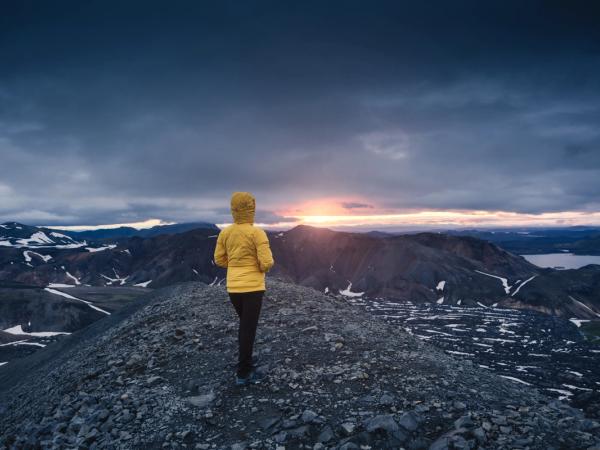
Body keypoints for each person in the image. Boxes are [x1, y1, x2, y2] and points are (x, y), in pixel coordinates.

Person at [213, 191, 275, 385]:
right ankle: (243, 373)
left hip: (233, 288)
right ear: (252, 209)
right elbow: (267, 263)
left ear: (233, 209)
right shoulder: (256, 233)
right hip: (253, 288)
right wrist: (254, 267)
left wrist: (236, 266)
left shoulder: (226, 232)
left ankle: (245, 361)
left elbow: (219, 259)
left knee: (245, 326)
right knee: (248, 329)